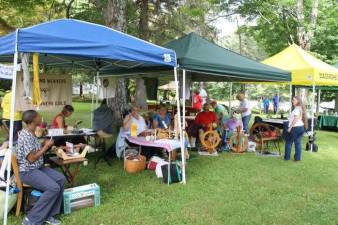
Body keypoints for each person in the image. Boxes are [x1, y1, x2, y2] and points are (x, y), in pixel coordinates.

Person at [17, 110, 65, 225]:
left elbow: (34, 151)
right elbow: (31, 158)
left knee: (61, 179)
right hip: (28, 171)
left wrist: (43, 144)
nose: (41, 117)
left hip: (37, 167)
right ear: (33, 120)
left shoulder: (32, 132)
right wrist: (46, 146)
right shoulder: (26, 136)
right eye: (39, 116)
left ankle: (49, 214)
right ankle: (31, 219)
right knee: (53, 188)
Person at [284, 96, 308, 161]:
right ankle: (297, 158)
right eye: (292, 100)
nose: (292, 101)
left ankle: (287, 157)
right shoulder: (300, 108)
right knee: (298, 143)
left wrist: (290, 127)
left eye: (294, 100)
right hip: (301, 127)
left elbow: (296, 118)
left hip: (295, 128)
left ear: (298, 101)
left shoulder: (297, 109)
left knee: (288, 142)